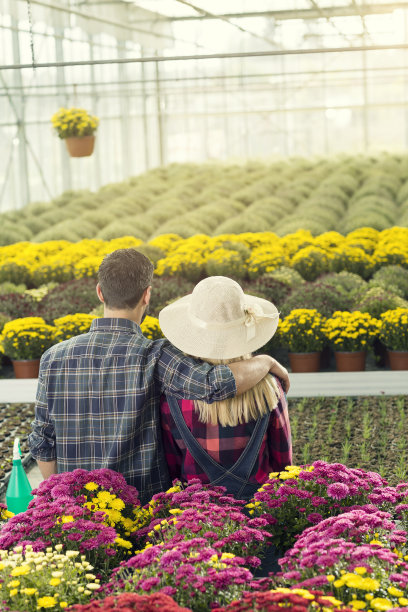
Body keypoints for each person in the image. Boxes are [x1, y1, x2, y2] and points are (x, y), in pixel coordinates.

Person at [28, 249, 290, 505]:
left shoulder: (53, 357)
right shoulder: (155, 355)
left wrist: (65, 499)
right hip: (140, 508)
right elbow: (213, 383)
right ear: (146, 295)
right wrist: (265, 361)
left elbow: (42, 443)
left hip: (75, 511)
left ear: (99, 292)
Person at [159, 275, 292, 501]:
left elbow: (172, 467)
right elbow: (283, 465)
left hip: (196, 519)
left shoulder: (173, 394)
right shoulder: (270, 386)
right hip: (259, 513)